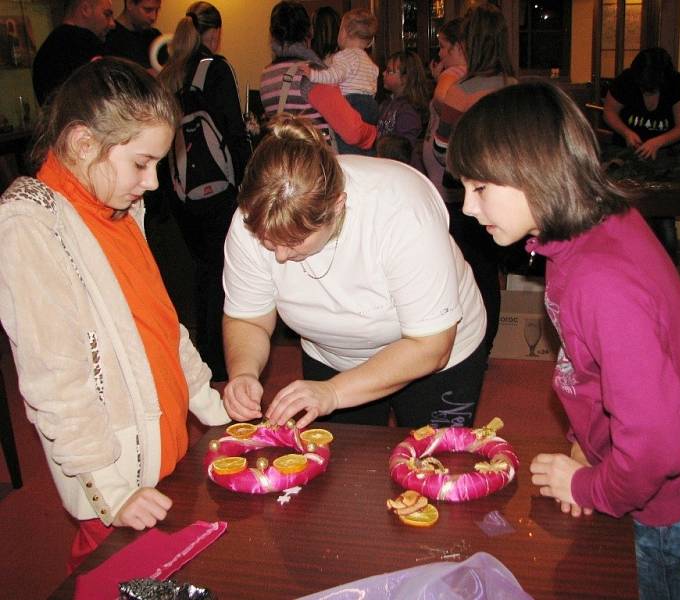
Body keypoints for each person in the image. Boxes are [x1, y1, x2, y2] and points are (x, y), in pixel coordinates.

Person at [447, 81, 680, 599]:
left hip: (677, 503)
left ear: (534, 174)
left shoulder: (600, 282)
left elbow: (654, 446)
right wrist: (589, 450)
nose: (469, 208)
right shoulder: (595, 230)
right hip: (664, 472)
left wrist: (590, 486)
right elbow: (601, 374)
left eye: (480, 188)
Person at [0, 58, 232, 572]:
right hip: (115, 485)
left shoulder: (118, 208)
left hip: (160, 460)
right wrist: (112, 491)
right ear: (84, 144)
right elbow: (55, 381)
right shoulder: (30, 224)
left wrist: (212, 411)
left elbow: (163, 326)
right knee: (114, 576)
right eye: (141, 164)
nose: (152, 183)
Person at [222, 114, 487, 430]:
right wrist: (243, 373)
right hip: (332, 356)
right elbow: (248, 317)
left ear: (337, 207)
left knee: (433, 467)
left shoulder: (401, 211)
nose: (279, 255)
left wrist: (333, 392)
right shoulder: (250, 219)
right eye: (268, 241)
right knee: (341, 470)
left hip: (437, 358)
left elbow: (430, 347)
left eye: (293, 241)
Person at [159, 2, 251, 382]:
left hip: (182, 192)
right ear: (214, 33)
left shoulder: (169, 74)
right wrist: (247, 181)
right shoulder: (215, 68)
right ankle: (223, 355)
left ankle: (205, 354)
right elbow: (233, 130)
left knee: (202, 271)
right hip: (219, 189)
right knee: (224, 271)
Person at [433, 3, 517, 356]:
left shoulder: (461, 92)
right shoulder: (513, 87)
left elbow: (441, 150)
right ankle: (488, 346)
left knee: (464, 274)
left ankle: (470, 349)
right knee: (490, 276)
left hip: (464, 195)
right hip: (507, 195)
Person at [603, 47, 680, 264]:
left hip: (663, 155)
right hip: (625, 150)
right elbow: (609, 112)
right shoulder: (625, 81)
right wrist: (627, 132)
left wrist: (658, 141)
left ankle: (668, 266)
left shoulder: (677, 84)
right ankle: (619, 262)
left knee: (663, 213)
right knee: (621, 206)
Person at [260, 1, 376, 154]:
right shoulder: (311, 74)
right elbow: (352, 132)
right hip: (316, 165)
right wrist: (373, 133)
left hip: (286, 162)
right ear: (309, 34)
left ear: (273, 35)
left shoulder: (267, 75)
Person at [302, 8, 379, 155]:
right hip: (370, 105)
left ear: (343, 33)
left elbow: (333, 77)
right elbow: (372, 87)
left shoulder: (344, 56)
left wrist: (312, 74)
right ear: (369, 42)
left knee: (347, 148)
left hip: (351, 103)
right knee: (366, 148)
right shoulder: (371, 63)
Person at [31, 0, 115, 106]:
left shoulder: (45, 49)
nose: (112, 23)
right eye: (106, 14)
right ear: (86, 9)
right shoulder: (87, 42)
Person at [422, 17, 466, 202]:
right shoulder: (468, 74)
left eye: (442, 46)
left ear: (458, 47)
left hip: (443, 176)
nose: (439, 54)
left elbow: (441, 100)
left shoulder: (451, 74)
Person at [377, 50, 429, 171]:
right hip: (390, 167)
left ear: (405, 78)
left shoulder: (408, 110)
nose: (383, 73)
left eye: (389, 71)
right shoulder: (387, 104)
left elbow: (404, 149)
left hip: (404, 170)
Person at [103, 0, 162, 70]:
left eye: (157, 10)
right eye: (148, 10)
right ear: (130, 4)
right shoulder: (108, 36)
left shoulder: (156, 37)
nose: (153, 17)